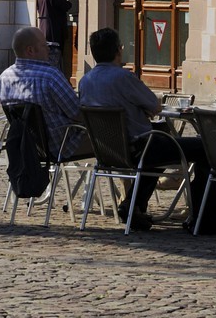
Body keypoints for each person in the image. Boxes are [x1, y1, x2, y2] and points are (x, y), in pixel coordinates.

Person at [78, 26, 207, 232]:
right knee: (204, 147)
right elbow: (155, 106)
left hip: (107, 150)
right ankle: (204, 210)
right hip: (139, 147)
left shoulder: (85, 81)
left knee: (158, 150)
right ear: (118, 51)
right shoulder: (123, 77)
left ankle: (133, 206)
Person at [0, 25, 91, 163]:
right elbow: (78, 113)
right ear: (30, 50)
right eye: (44, 45)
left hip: (25, 146)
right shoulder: (50, 76)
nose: (48, 49)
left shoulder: (3, 79)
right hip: (60, 146)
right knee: (109, 136)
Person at [35, 0, 73, 69]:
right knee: (55, 59)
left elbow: (39, 9)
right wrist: (68, 2)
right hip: (54, 29)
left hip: (43, 28)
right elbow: (66, 6)